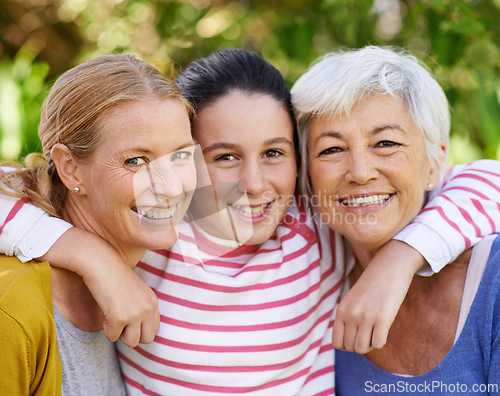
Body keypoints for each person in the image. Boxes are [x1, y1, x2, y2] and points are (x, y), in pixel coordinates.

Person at [1, 49, 499, 395]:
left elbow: (486, 179)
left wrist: (398, 259)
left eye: (275, 153)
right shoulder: (155, 234)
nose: (256, 183)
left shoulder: (316, 232)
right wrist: (95, 261)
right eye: (223, 157)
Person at [291, 46, 500, 394]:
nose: (359, 172)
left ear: (434, 163)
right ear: (308, 179)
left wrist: (400, 256)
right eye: (331, 149)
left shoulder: (492, 278)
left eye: (385, 143)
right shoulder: (317, 282)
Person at [0, 53, 196, 394]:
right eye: (136, 161)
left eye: (180, 155)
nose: (171, 186)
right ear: (70, 168)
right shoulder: (13, 311)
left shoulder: (148, 265)